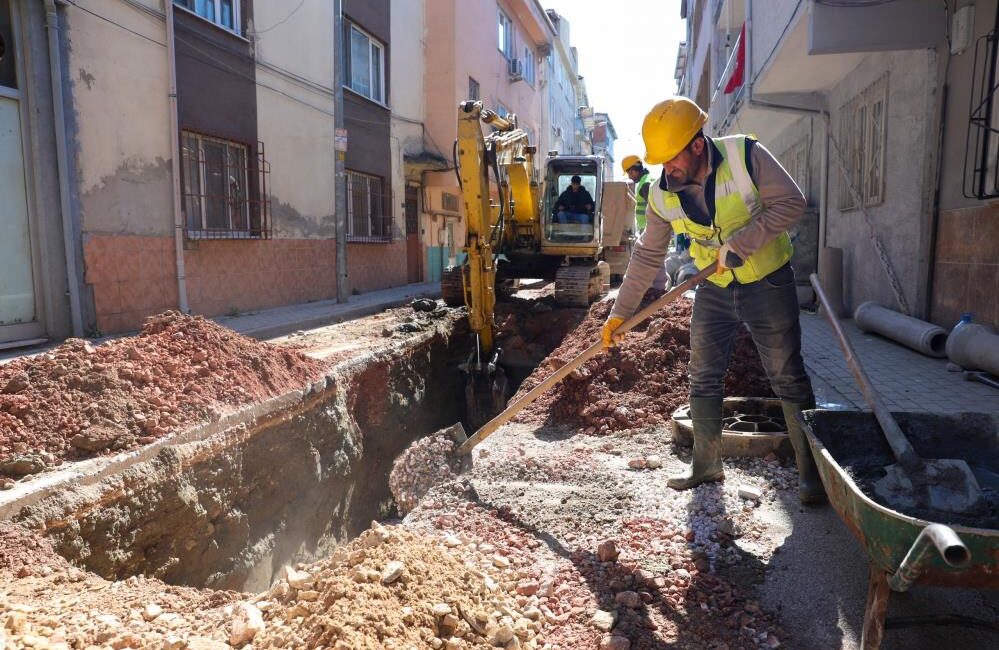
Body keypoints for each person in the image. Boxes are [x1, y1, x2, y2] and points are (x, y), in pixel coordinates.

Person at [601, 96, 822, 505]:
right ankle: (706, 466)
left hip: (767, 283)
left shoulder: (745, 156)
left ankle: (812, 477)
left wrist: (745, 242)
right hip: (714, 291)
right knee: (702, 374)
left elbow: (792, 202)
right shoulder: (661, 195)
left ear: (697, 144)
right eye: (661, 161)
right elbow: (648, 255)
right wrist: (620, 314)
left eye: (673, 158)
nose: (667, 169)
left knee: (787, 377)